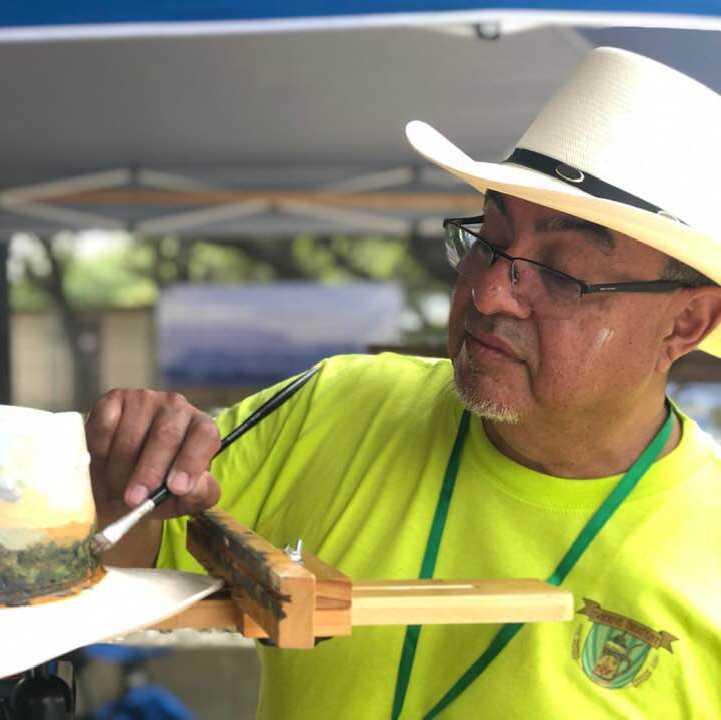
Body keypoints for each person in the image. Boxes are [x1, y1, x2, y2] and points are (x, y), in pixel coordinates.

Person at [86, 47, 721, 718]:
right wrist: (123, 469)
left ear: (686, 323)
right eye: (488, 240)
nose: (488, 292)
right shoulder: (336, 404)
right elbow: (120, 564)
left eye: (562, 272)